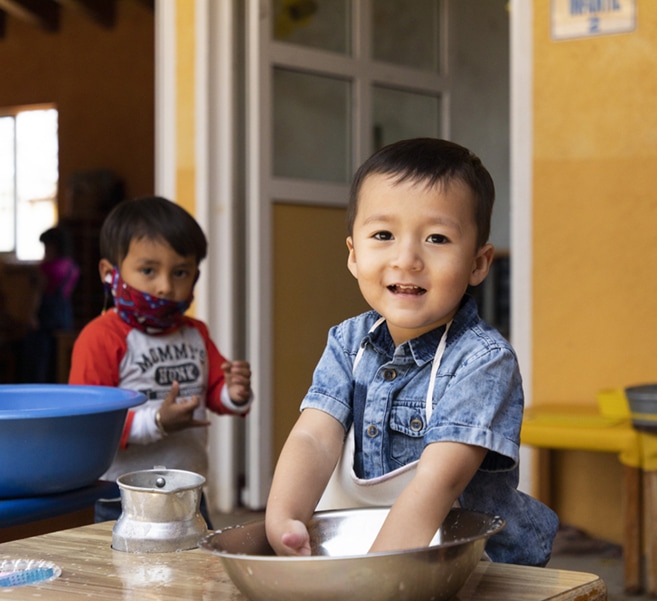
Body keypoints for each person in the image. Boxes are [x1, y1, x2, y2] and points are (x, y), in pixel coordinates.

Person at [265, 138, 558, 566]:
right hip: (373, 548)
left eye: (437, 238)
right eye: (383, 235)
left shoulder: (483, 361)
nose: (407, 259)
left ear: (478, 263)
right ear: (353, 255)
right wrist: (284, 517)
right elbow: (314, 436)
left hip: (474, 562)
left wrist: (375, 573)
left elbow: (439, 480)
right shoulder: (348, 344)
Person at [69, 196, 252, 527]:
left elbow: (214, 390)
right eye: (148, 270)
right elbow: (90, 424)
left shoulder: (195, 333)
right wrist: (157, 422)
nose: (166, 286)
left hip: (189, 493)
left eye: (180, 272)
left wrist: (234, 392)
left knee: (196, 576)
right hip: (120, 499)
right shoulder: (99, 338)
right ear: (110, 273)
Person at [19, 226, 79, 383]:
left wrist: (31, 315)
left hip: (46, 317)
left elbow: (37, 294)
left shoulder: (47, 268)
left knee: (39, 360)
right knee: (60, 356)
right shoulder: (72, 267)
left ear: (54, 246)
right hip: (64, 314)